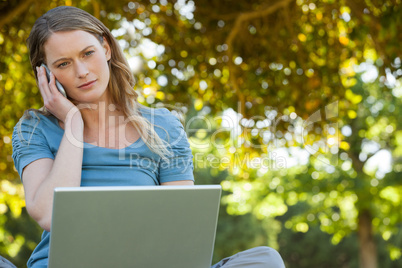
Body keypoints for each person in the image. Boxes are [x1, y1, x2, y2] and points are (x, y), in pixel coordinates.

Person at [11, 6, 285, 268]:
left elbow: (182, 225)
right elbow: (49, 214)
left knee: (266, 260)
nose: (81, 72)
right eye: (63, 63)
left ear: (106, 48)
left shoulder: (162, 126)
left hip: (150, 265)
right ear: (44, 73)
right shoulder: (34, 128)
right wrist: (73, 123)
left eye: (87, 53)